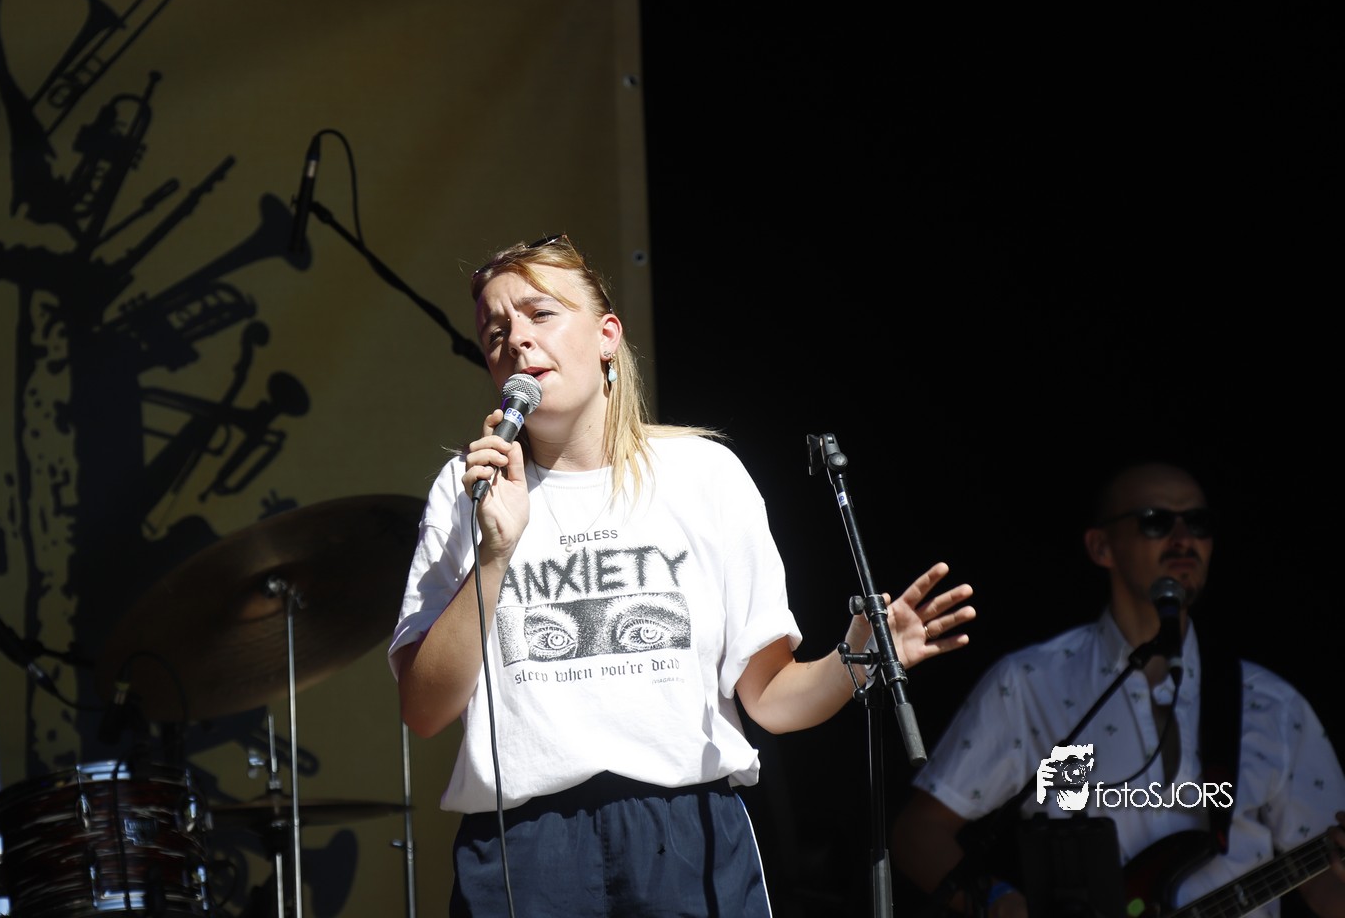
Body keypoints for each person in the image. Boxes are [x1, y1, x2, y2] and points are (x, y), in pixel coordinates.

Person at [388, 235, 976, 916]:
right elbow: (424, 710)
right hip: (525, 845)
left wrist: (859, 658)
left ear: (608, 336)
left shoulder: (703, 474)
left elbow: (769, 699)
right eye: (495, 333)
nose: (516, 339)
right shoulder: (467, 489)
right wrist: (493, 554)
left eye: (540, 313)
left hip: (688, 832)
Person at [891, 461, 1345, 917]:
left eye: (1198, 522)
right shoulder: (1029, 683)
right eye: (1156, 521)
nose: (1183, 538)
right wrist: (998, 902)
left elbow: (1328, 890)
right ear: (1101, 546)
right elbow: (918, 832)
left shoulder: (1273, 704)